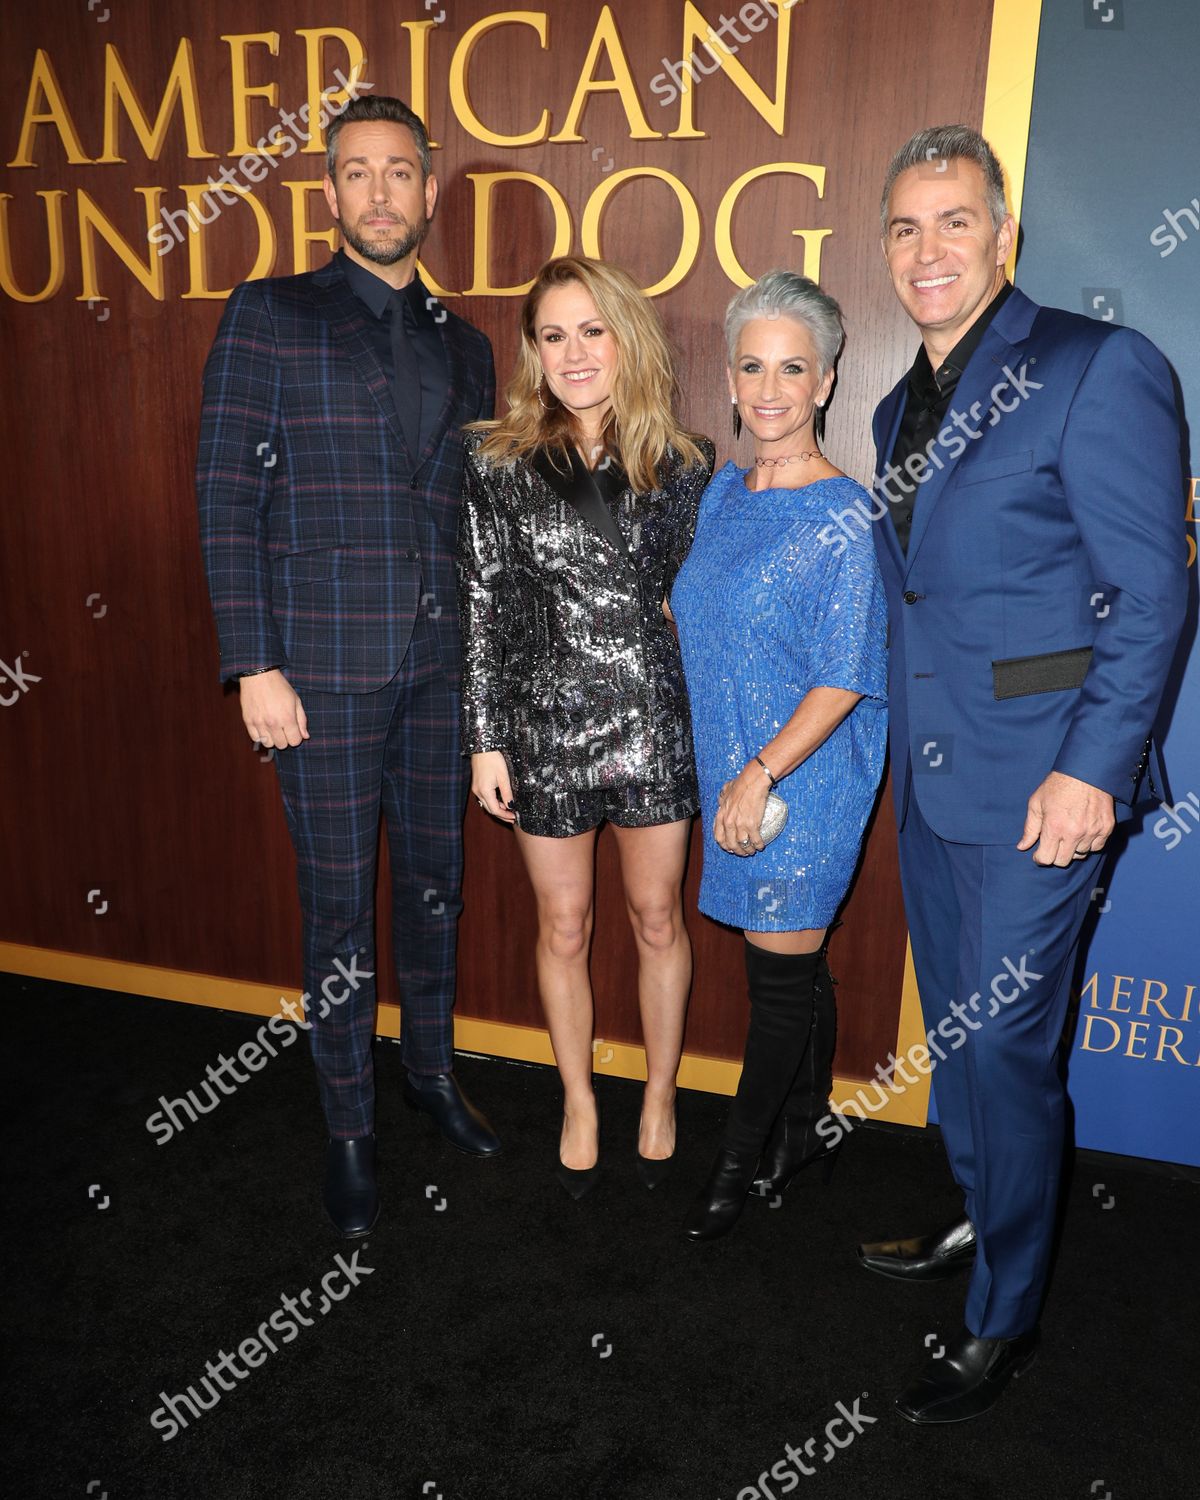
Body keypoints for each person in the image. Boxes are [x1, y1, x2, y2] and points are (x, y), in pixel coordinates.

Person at [860, 124, 1187, 1423]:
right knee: (958, 1032)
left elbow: (1155, 594)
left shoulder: (1097, 366)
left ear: (1005, 236)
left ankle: (1005, 1316)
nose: (928, 249)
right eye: (904, 226)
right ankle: (980, 1214)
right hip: (933, 784)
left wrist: (1093, 771)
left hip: (1047, 788)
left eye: (954, 222)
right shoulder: (895, 404)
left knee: (1003, 1044)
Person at [196, 96, 500, 1240]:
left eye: (401, 173)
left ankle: (427, 1073)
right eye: (357, 174)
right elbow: (225, 494)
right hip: (314, 674)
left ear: (427, 193)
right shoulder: (270, 314)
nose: (380, 193)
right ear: (329, 196)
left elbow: (471, 519)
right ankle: (349, 1128)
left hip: (440, 673)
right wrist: (252, 663)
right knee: (338, 913)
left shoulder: (469, 344)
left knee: (434, 889)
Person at [457, 256, 715, 1198]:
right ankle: (578, 1098)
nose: (574, 353)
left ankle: (659, 1092)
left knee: (657, 918)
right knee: (562, 925)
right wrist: (485, 738)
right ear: (533, 349)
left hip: (654, 718)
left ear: (625, 337)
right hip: (542, 724)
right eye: (553, 335)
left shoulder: (686, 463)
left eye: (591, 330)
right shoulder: (496, 462)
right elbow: (480, 604)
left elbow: (703, 606)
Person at [671, 269, 888, 1242]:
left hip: (805, 778)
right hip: (736, 766)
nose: (769, 389)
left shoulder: (845, 516)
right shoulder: (722, 491)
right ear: (728, 375)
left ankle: (734, 1168)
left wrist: (759, 774)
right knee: (799, 973)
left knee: (776, 983)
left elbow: (844, 675)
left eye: (791, 369)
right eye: (753, 366)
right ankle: (803, 1131)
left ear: (826, 383)